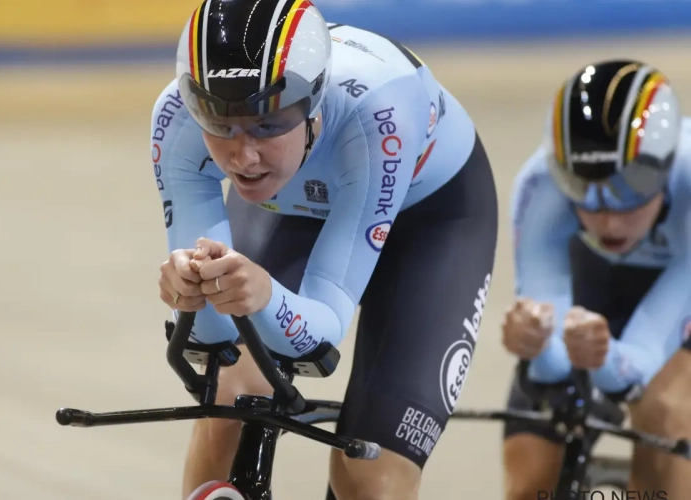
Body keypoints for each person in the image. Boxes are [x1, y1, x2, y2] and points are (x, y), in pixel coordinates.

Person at [150, 0, 498, 498]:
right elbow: (211, 339)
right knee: (229, 395)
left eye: (268, 124)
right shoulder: (176, 118)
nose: (243, 156)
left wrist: (263, 297)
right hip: (289, 201)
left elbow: (320, 331)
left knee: (371, 476)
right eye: (220, 124)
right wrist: (193, 293)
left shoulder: (378, 116)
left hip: (432, 221)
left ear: (313, 103)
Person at [501, 58, 691, 500]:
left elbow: (635, 367)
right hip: (596, 288)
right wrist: (538, 345)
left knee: (663, 414)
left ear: (662, 171)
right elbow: (549, 366)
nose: (608, 219)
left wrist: (599, 358)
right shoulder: (540, 184)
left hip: (676, 300)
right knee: (531, 483)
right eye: (582, 190)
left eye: (630, 191)